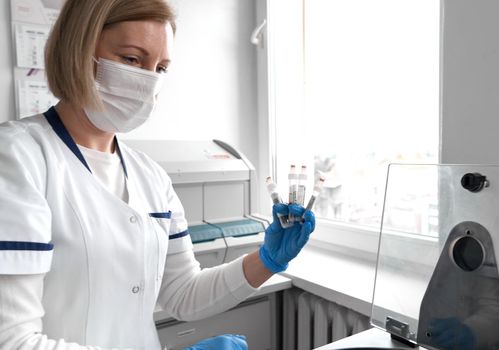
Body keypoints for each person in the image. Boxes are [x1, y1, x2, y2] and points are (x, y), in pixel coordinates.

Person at [0, 1, 316, 349]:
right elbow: (13, 340)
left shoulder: (149, 175)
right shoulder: (18, 156)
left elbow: (183, 293)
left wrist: (266, 261)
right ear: (79, 50)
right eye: (132, 59)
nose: (147, 79)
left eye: (160, 67)